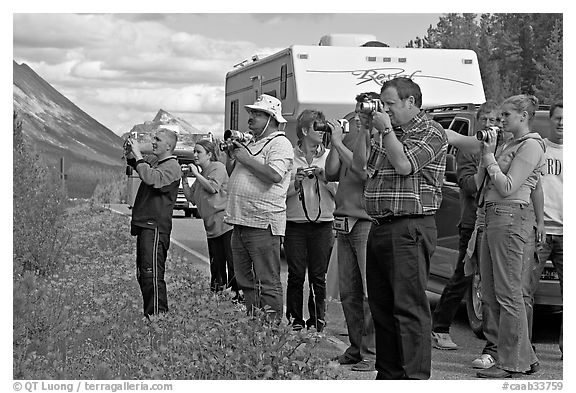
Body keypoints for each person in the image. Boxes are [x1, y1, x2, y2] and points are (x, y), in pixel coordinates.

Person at [352, 77, 447, 380]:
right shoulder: (386, 132)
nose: (385, 110)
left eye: (390, 104)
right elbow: (361, 165)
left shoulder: (431, 131)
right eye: (382, 104)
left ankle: (414, 378)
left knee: (409, 308)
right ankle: (389, 375)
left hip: (409, 226)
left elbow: (405, 165)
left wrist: (385, 129)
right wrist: (366, 128)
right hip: (380, 225)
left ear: (411, 101)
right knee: (381, 308)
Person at [475, 94, 545, 379]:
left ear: (524, 116)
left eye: (506, 115)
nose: (501, 120)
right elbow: (483, 184)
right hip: (493, 216)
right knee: (490, 293)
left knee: (509, 294)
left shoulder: (530, 146)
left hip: (510, 216)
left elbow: (507, 186)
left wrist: (490, 158)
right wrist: (488, 154)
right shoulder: (509, 144)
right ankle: (525, 356)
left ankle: (511, 362)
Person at [431, 102, 500, 350]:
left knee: (495, 279)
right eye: (486, 119)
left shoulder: (503, 148)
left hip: (497, 222)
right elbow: (468, 186)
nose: (491, 124)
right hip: (472, 222)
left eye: (495, 119)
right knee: (463, 276)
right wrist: (487, 166)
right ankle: (439, 327)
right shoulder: (469, 150)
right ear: (478, 121)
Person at [224, 94, 294, 322]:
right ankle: (255, 326)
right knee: (245, 280)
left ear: (271, 117)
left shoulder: (280, 143)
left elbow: (274, 174)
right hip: (240, 220)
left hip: (262, 222)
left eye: (257, 113)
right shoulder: (252, 144)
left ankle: (271, 331)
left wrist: (244, 158)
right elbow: (234, 174)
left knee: (267, 281)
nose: (251, 118)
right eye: (251, 113)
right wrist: (232, 158)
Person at [325, 93, 378, 372]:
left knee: (370, 293)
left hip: (365, 220)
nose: (357, 115)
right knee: (349, 292)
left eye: (363, 110)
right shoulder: (348, 137)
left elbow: (362, 171)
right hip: (343, 219)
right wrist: (335, 142)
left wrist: (338, 143)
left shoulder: (375, 138)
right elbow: (331, 172)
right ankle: (356, 347)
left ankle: (372, 352)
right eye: (356, 109)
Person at [284, 109, 337, 332]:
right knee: (296, 274)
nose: (323, 131)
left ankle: (317, 320)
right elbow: (279, 192)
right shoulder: (289, 157)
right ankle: (295, 319)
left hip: (323, 223)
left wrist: (325, 178)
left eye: (325, 127)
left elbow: (340, 191)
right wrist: (296, 183)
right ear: (305, 130)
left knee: (318, 276)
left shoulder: (329, 157)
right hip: (294, 222)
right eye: (318, 127)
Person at [125, 128, 182, 317]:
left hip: (155, 227)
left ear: (168, 146)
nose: (153, 142)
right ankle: (152, 317)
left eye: (157, 139)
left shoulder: (172, 167)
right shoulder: (159, 162)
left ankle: (158, 318)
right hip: (146, 226)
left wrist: (139, 156)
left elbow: (151, 179)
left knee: (152, 275)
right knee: (144, 275)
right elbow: (140, 167)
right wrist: (131, 154)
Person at [181, 140, 241, 301]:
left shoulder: (217, 168)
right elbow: (191, 198)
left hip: (225, 224)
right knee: (216, 263)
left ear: (209, 154)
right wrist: (185, 179)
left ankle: (238, 296)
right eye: (194, 151)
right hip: (211, 226)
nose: (194, 155)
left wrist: (197, 175)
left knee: (232, 262)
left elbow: (213, 187)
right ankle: (218, 295)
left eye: (198, 152)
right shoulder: (202, 174)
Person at [529, 101, 563, 355]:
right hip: (539, 231)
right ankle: (523, 347)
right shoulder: (539, 148)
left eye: (566, 118)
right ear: (551, 119)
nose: (562, 123)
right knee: (524, 292)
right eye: (558, 118)